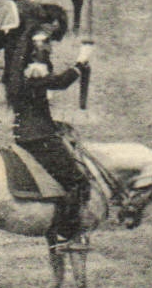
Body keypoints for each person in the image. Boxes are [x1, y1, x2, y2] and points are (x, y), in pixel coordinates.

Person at [5, 17, 92, 250]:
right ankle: (68, 235)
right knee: (77, 181)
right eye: (46, 44)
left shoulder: (18, 69)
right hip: (39, 136)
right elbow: (61, 82)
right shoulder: (34, 69)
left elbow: (37, 103)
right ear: (36, 47)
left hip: (31, 130)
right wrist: (81, 61)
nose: (50, 48)